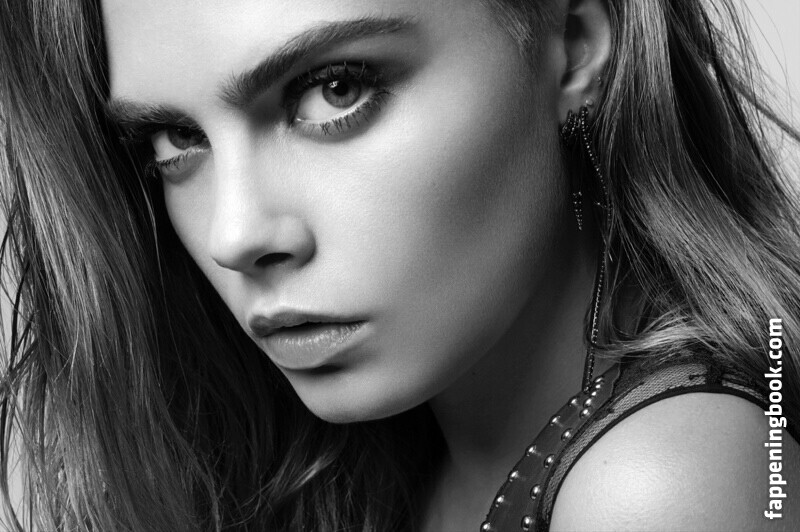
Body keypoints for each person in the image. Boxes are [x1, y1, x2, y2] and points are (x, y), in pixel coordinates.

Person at [0, 0, 799, 530]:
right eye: (177, 139)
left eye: (334, 89)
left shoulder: (660, 482)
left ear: (574, 47)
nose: (234, 234)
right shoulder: (364, 459)